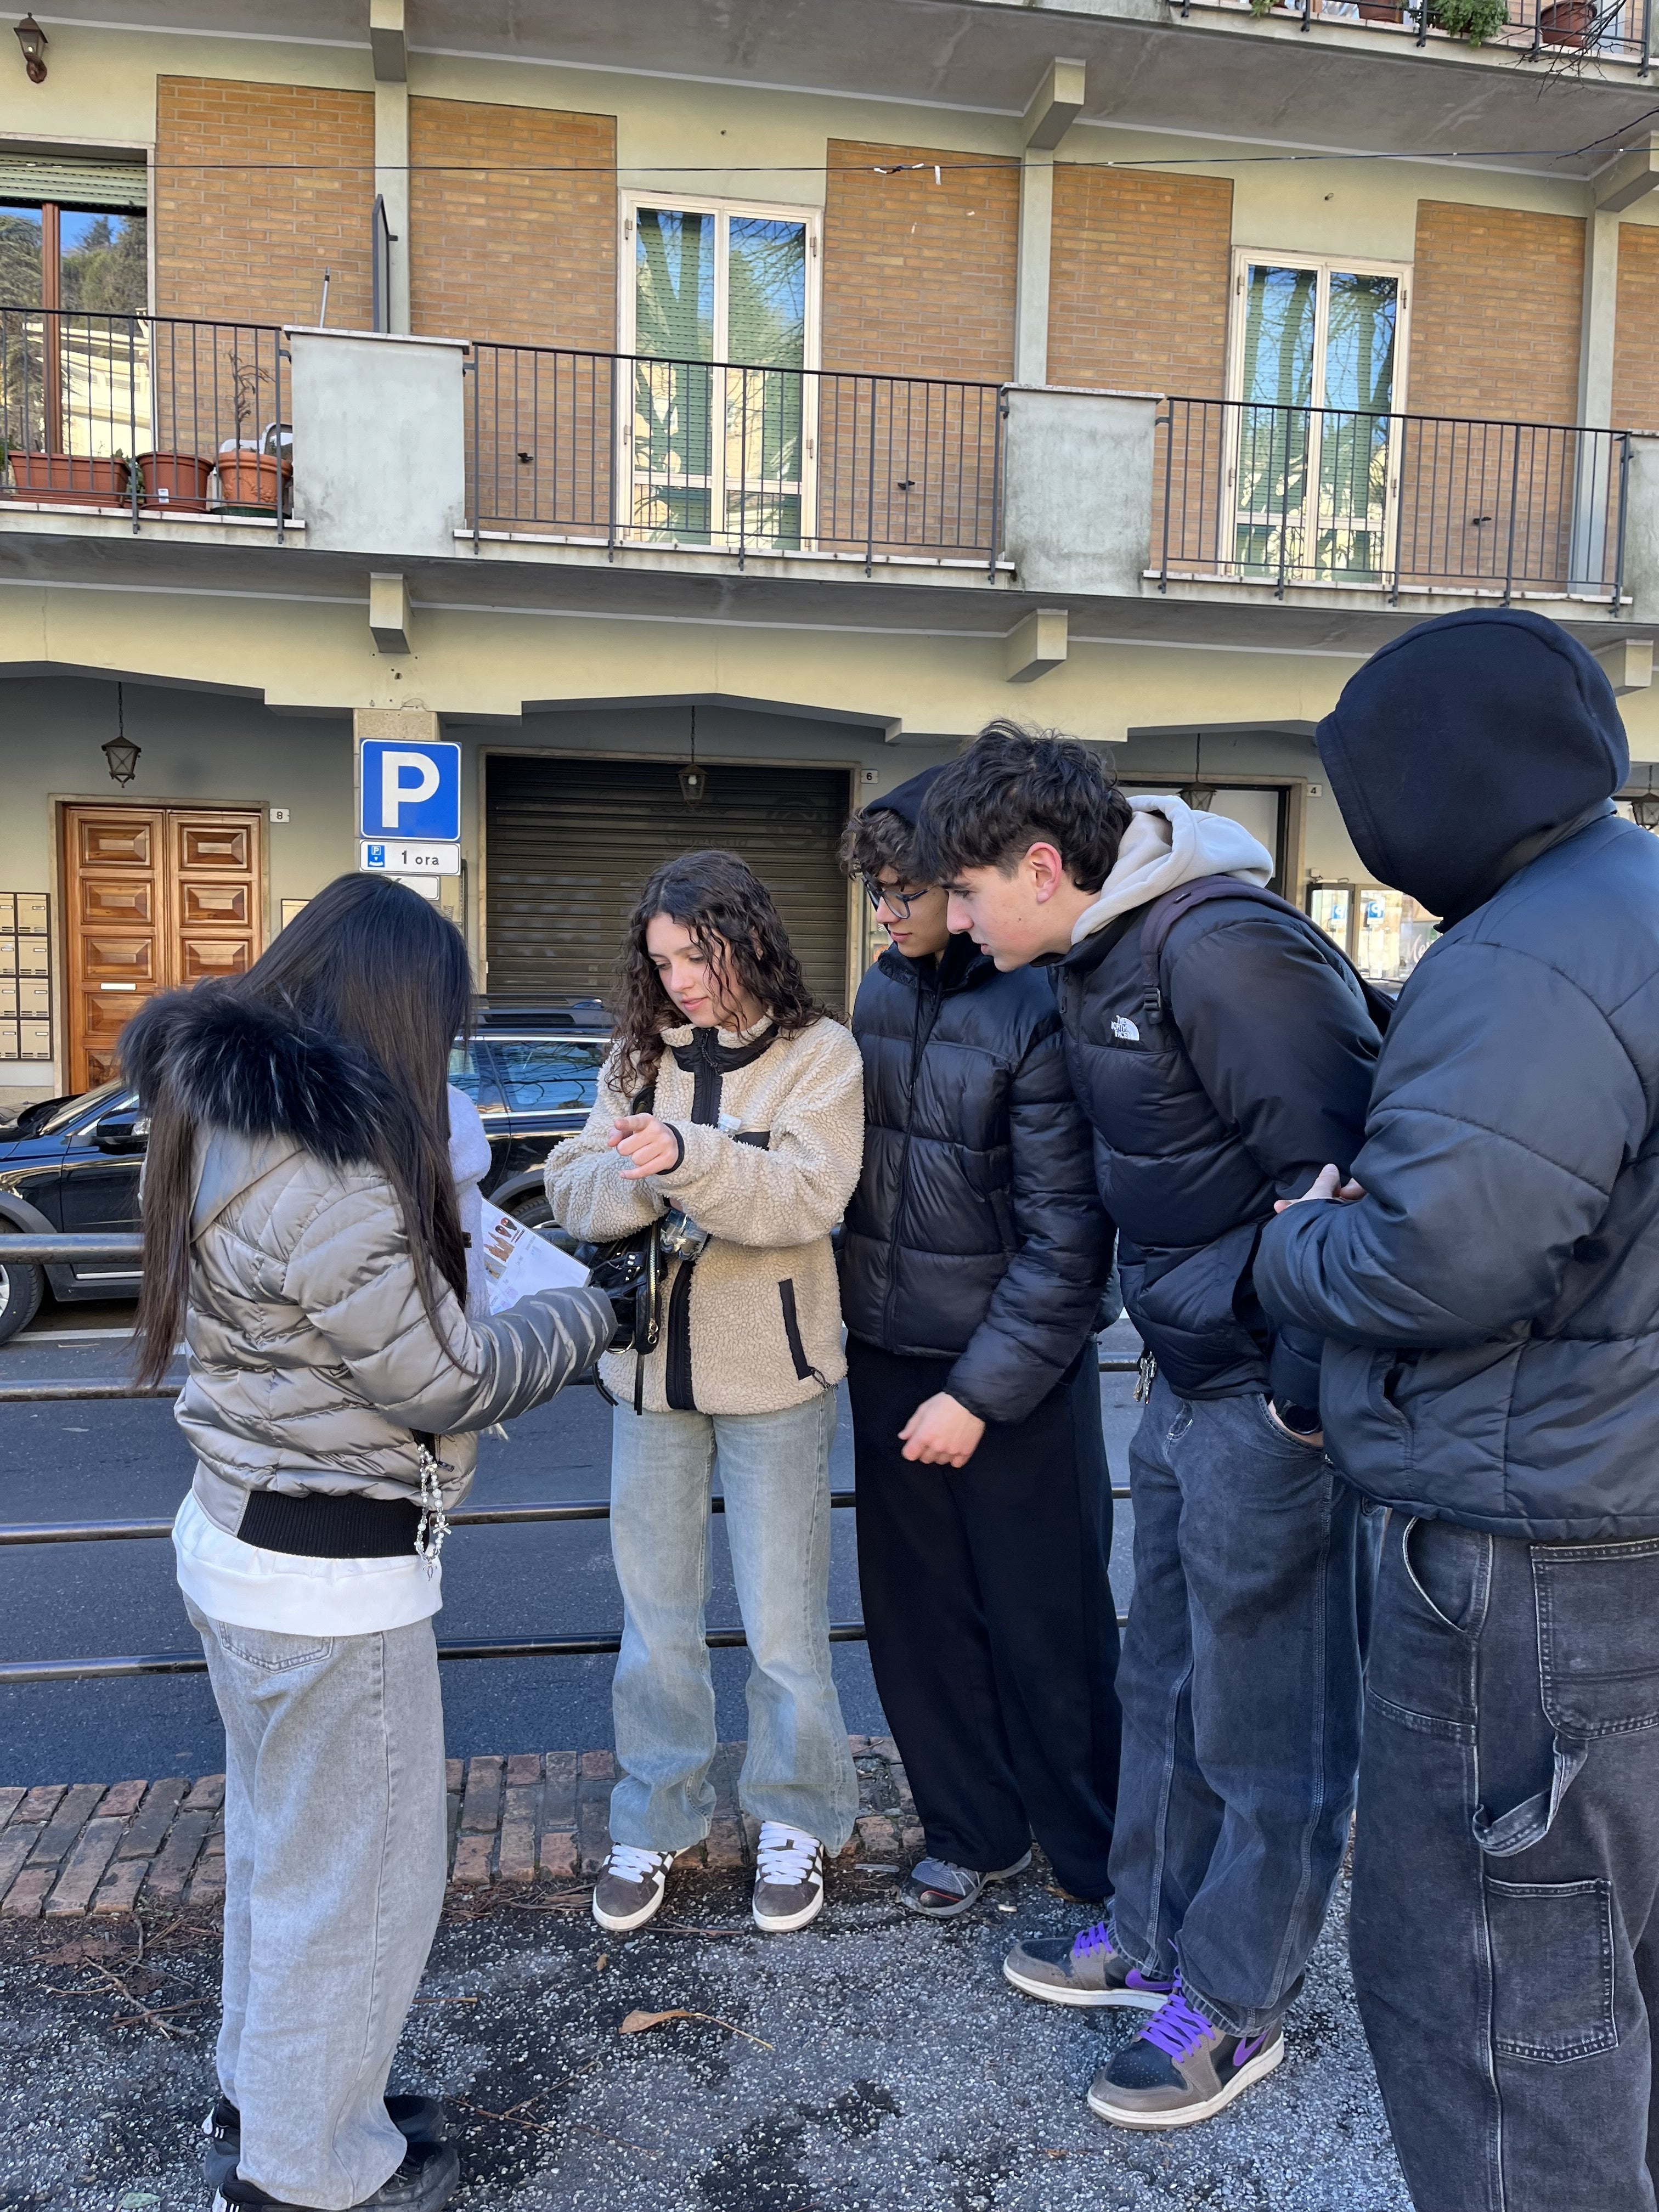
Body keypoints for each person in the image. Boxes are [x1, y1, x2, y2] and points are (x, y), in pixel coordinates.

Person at [123, 873, 613, 2212]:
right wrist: (589, 1316)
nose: (441, 1054)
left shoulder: (221, 1113)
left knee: (286, 1858)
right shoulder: (335, 1176)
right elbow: (443, 1381)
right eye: (439, 1028)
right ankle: (303, 2174)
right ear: (392, 1012)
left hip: (242, 1536)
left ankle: (273, 2099)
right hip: (328, 1577)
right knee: (360, 1886)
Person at [915, 724, 1380, 2129]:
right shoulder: (1099, 954)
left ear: (1040, 867)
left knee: (1267, 1720)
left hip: (1262, 1399)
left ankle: (1234, 2006)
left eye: (965, 893)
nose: (954, 921)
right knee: (1166, 1680)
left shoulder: (1222, 948)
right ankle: (1150, 1937)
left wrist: (1301, 1399)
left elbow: (1355, 1182)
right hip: (1188, 1379)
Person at [1255, 608, 1659, 2212]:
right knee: (1613, 1962)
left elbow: (1438, 1258)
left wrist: (1296, 1237)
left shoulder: (1523, 958)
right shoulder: (1635, 902)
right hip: (1624, 1502)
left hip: (1529, 1555)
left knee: (1495, 1998)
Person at [545, 849, 865, 1938]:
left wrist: (682, 1154)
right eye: (663, 962)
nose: (679, 981)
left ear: (750, 939)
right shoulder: (637, 1055)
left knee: (784, 1623)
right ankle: (656, 1816)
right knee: (655, 1625)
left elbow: (808, 1200)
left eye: (697, 955)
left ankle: (798, 1815)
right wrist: (652, 1169)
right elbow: (572, 1189)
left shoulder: (822, 1054)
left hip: (777, 1375)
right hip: (648, 1376)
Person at [837, 766, 1119, 1917]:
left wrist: (980, 1395)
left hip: (1018, 1380)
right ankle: (971, 1830)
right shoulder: (877, 991)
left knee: (1050, 1624)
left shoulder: (1041, 998)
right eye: (875, 891)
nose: (886, 912)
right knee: (919, 1622)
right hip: (884, 1352)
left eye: (905, 891)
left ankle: (1098, 1856)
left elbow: (1070, 1243)